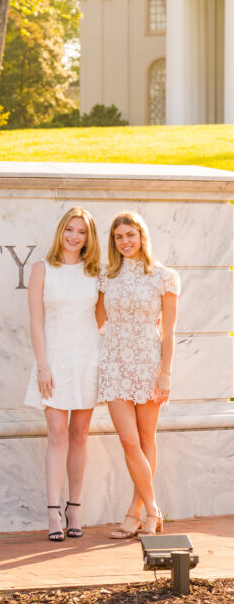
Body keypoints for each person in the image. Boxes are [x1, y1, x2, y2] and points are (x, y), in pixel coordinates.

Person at [97, 212, 179, 539]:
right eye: (118, 237)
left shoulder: (164, 277)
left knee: (146, 439)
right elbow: (95, 319)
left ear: (142, 236)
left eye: (130, 234)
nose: (125, 242)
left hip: (148, 362)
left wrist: (166, 374)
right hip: (114, 362)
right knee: (128, 440)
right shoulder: (105, 276)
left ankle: (135, 511)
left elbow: (170, 332)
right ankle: (154, 509)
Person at [25, 207, 102, 541]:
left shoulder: (96, 272)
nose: (74, 236)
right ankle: (52, 511)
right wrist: (43, 365)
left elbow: (100, 316)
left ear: (88, 238)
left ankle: (75, 507)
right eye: (69, 229)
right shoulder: (42, 269)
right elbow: (35, 321)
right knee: (57, 434)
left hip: (86, 357)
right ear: (61, 232)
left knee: (80, 434)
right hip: (53, 359)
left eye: (81, 232)